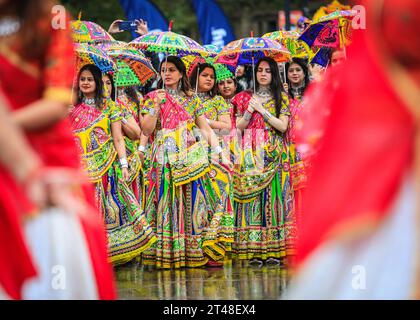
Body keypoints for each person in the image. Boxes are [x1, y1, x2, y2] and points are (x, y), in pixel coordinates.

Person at [284, 0, 420, 299]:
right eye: (334, 60)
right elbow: (307, 128)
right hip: (360, 154)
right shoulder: (334, 85)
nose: (339, 63)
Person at [0, 0, 115, 299]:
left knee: (53, 264)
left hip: (45, 157)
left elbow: (56, 103)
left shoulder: (51, 20)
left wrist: (6, 130)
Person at [140, 56, 231, 268]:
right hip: (163, 158)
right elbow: (146, 129)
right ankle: (168, 253)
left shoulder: (192, 99)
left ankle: (196, 249)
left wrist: (221, 153)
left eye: (172, 69)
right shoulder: (152, 97)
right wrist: (155, 105)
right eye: (164, 69)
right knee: (165, 202)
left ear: (181, 74)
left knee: (197, 200)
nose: (167, 73)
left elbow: (205, 129)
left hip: (191, 158)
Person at [70, 64, 156, 266]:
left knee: (110, 209)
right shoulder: (73, 109)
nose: (85, 83)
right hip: (81, 170)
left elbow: (118, 139)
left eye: (90, 79)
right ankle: (87, 253)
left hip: (107, 168)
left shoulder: (110, 106)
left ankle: (110, 253)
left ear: (97, 82)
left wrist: (124, 165)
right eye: (82, 79)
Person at [232, 56, 296, 267]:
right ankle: (254, 251)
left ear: (274, 74)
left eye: (268, 71)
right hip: (251, 153)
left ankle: (275, 250)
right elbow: (239, 127)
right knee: (253, 200)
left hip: (275, 153)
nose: (263, 74)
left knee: (275, 198)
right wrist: (250, 109)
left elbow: (283, 126)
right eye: (260, 70)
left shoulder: (282, 98)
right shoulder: (243, 98)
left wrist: (263, 110)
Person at [189, 62, 235, 265]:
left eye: (211, 76)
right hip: (190, 153)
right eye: (205, 75)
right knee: (196, 200)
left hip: (215, 153)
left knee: (216, 197)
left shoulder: (218, 100)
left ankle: (214, 246)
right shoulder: (187, 99)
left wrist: (204, 121)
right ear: (194, 77)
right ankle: (196, 248)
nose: (209, 79)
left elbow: (227, 127)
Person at [284, 58, 311, 225]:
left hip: (309, 148)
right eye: (291, 70)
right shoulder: (282, 96)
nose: (294, 73)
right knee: (293, 189)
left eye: (298, 70)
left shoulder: (313, 92)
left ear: (304, 72)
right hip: (289, 148)